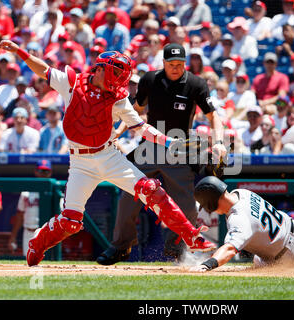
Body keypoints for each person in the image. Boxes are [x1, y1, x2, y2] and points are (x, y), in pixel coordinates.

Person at [0, 40, 216, 266]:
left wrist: (169, 142)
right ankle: (38, 243)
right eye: (116, 72)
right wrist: (20, 51)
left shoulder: (118, 97)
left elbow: (140, 126)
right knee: (71, 222)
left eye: (122, 73)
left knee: (150, 189)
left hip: (108, 156)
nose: (120, 78)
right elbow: (43, 69)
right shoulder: (73, 82)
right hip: (81, 162)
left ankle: (191, 235)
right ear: (99, 69)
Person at [96, 43, 226, 265]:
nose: (176, 68)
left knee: (186, 205)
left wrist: (220, 142)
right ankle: (120, 246)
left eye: (180, 64)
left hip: (180, 148)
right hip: (149, 145)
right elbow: (135, 111)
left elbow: (213, 116)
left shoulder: (196, 83)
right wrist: (117, 131)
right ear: (163, 63)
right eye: (171, 64)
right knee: (128, 192)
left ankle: (177, 247)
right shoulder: (149, 80)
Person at [9, 159, 55, 257]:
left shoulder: (55, 192)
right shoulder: (26, 192)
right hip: (28, 232)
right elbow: (19, 216)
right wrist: (13, 237)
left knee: (46, 263)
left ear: (50, 173)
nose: (43, 174)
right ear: (36, 172)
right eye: (41, 171)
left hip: (47, 233)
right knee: (29, 262)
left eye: (46, 171)